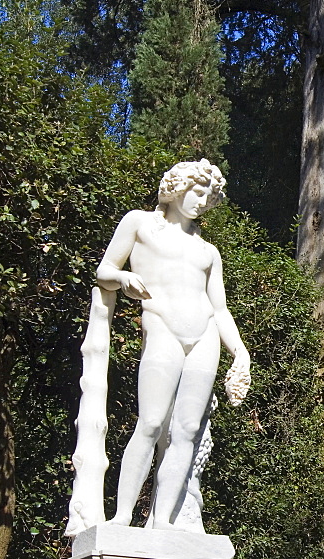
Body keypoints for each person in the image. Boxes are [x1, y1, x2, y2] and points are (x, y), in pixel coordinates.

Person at [97, 160, 251, 530]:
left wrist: (241, 352)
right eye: (197, 193)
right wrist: (123, 277)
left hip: (205, 336)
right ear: (178, 187)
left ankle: (161, 521)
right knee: (150, 423)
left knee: (186, 432)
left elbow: (220, 309)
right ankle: (121, 518)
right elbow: (104, 271)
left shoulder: (208, 252)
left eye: (208, 197)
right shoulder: (139, 223)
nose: (201, 202)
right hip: (163, 325)